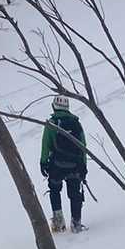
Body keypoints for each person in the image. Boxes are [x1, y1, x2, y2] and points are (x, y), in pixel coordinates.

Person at [40, 94, 87, 233]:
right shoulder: (76, 123)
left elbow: (46, 145)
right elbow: (83, 146)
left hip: (57, 165)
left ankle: (58, 223)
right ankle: (76, 224)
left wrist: (43, 163)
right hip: (75, 165)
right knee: (75, 193)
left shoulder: (51, 123)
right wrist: (83, 166)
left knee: (55, 190)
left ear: (54, 107)